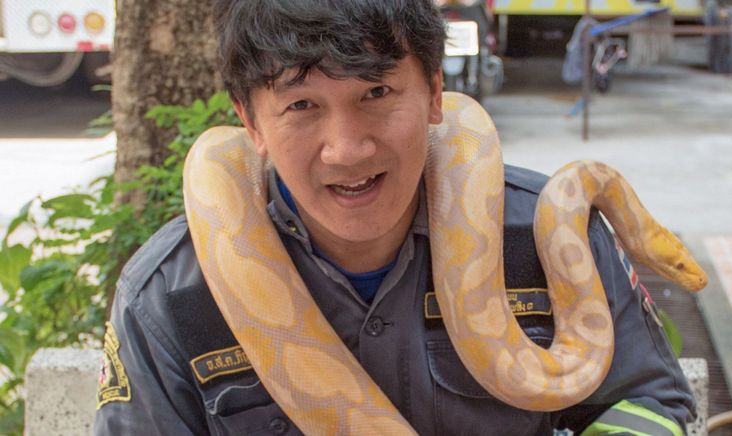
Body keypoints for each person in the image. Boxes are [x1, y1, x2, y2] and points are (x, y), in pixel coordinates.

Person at [93, 1, 696, 434]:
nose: (346, 149)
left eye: (376, 94)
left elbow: (649, 401)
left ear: (436, 92)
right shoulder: (171, 296)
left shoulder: (545, 235)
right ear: (250, 124)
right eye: (301, 105)